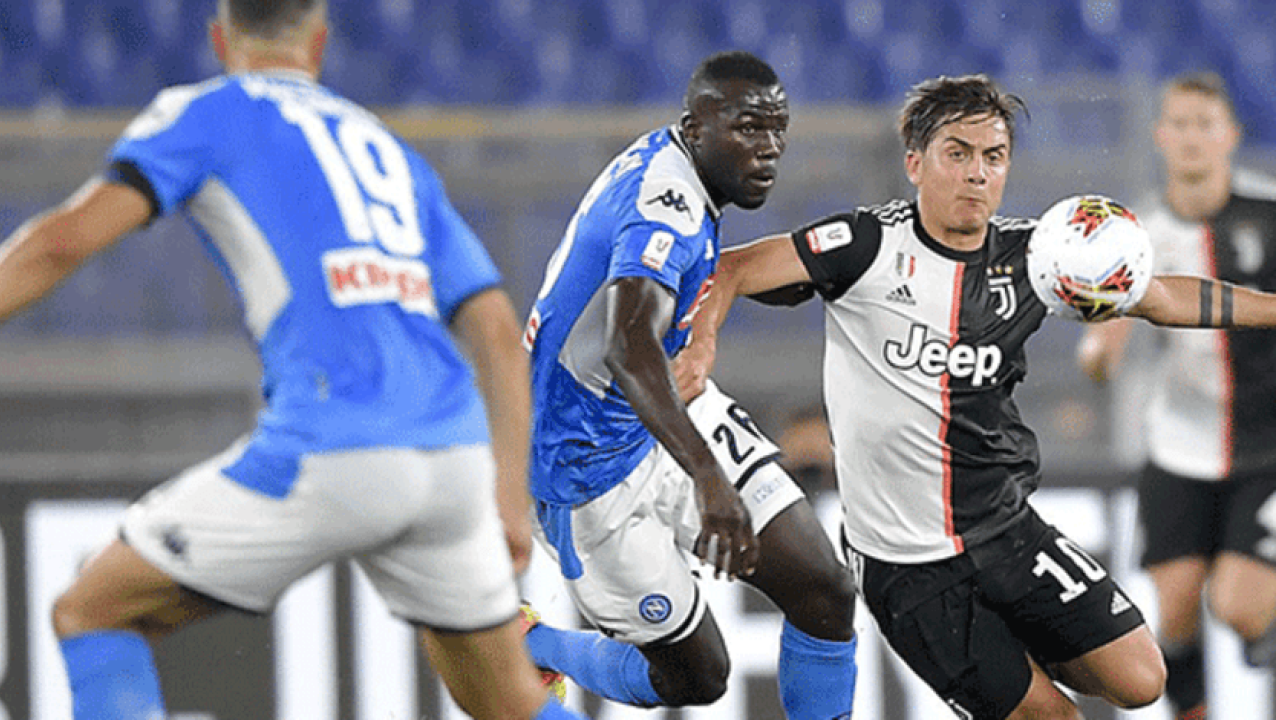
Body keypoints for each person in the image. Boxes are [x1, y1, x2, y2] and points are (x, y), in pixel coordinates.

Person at [0, 2, 590, 719]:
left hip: (334, 442)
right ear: (320, 42)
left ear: (220, 39)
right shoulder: (387, 148)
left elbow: (61, 242)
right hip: (456, 456)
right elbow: (494, 328)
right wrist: (508, 497)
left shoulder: (206, 113)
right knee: (510, 701)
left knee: (94, 610)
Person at [669, 71, 1276, 720]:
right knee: (1055, 719)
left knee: (1141, 679)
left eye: (994, 156)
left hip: (1006, 527)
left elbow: (1162, 297)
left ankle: (1007, 662)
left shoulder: (1040, 256)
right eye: (957, 154)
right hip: (908, 566)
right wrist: (699, 345)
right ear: (915, 163)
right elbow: (732, 268)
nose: (977, 174)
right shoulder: (865, 246)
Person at [519, 51, 859, 718]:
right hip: (583, 465)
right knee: (698, 678)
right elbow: (627, 343)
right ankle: (529, 647)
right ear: (696, 126)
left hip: (662, 404)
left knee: (825, 589)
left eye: (777, 129)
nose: (769, 148)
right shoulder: (665, 208)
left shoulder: (677, 165)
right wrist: (707, 477)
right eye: (748, 128)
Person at [1077, 71, 1276, 720]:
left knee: (1240, 604)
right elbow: (1097, 359)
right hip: (1177, 446)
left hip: (1267, 448)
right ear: (1161, 136)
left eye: (1205, 124)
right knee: (1177, 615)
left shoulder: (1269, 216)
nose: (1192, 137)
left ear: (1231, 136)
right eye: (1180, 124)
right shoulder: (1135, 238)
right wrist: (1100, 354)